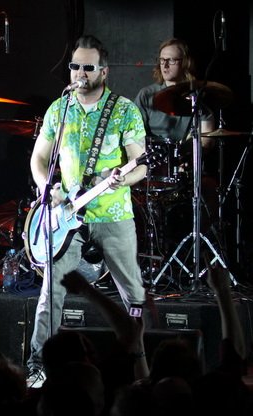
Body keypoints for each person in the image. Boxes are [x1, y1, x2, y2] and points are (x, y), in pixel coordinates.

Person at [25, 35, 148, 386]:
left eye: (88, 67)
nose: (80, 72)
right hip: (67, 216)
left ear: (103, 72)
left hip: (113, 214)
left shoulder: (124, 110)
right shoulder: (59, 109)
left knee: (133, 294)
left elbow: (140, 164)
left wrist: (120, 180)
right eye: (74, 65)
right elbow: (39, 158)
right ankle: (38, 367)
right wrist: (47, 189)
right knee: (51, 292)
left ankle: (139, 368)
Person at [133, 38, 218, 252]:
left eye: (171, 60)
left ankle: (200, 251)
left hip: (186, 169)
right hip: (151, 169)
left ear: (185, 63)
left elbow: (207, 138)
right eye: (162, 60)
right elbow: (134, 137)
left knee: (209, 188)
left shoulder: (197, 98)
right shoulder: (146, 95)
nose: (165, 65)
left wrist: (188, 156)